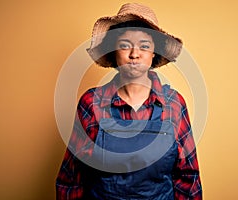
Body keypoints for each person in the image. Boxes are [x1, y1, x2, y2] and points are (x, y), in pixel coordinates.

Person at [56, 3, 202, 199]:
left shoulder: (174, 104)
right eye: (125, 45)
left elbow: (188, 179)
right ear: (114, 52)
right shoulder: (91, 103)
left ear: (154, 53)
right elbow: (71, 179)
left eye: (144, 46)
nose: (134, 54)